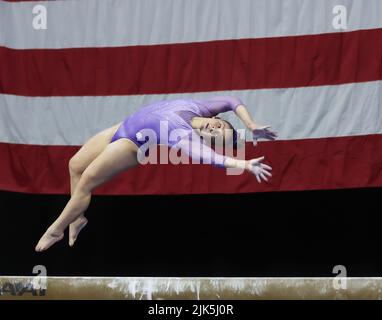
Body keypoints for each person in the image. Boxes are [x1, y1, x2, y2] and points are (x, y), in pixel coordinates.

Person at [35, 96, 277, 252]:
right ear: (217, 119)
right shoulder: (200, 107)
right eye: (220, 127)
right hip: (121, 127)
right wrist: (250, 125)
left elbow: (210, 158)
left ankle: (56, 230)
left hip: (131, 145)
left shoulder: (182, 136)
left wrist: (244, 165)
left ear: (206, 139)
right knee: (75, 165)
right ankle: (78, 217)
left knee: (86, 181)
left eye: (215, 136)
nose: (214, 130)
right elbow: (232, 100)